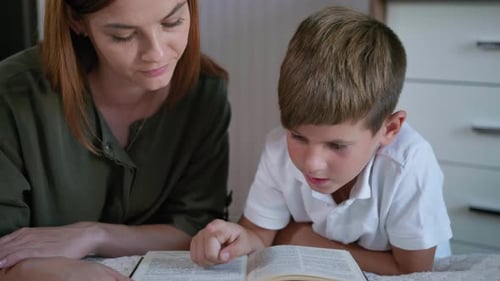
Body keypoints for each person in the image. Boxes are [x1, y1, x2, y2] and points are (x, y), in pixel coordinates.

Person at [190, 6, 452, 275]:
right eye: (298, 136)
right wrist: (234, 238)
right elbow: (259, 234)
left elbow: (412, 272)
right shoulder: (278, 149)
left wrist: (298, 238)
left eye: (337, 145)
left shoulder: (409, 164)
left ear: (390, 129)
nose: (312, 164)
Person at [0, 0, 230, 280]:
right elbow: (7, 251)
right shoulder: (11, 98)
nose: (155, 53)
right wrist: (47, 273)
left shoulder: (205, 96)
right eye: (124, 36)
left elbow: (196, 229)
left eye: (172, 22)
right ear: (76, 20)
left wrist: (95, 235)